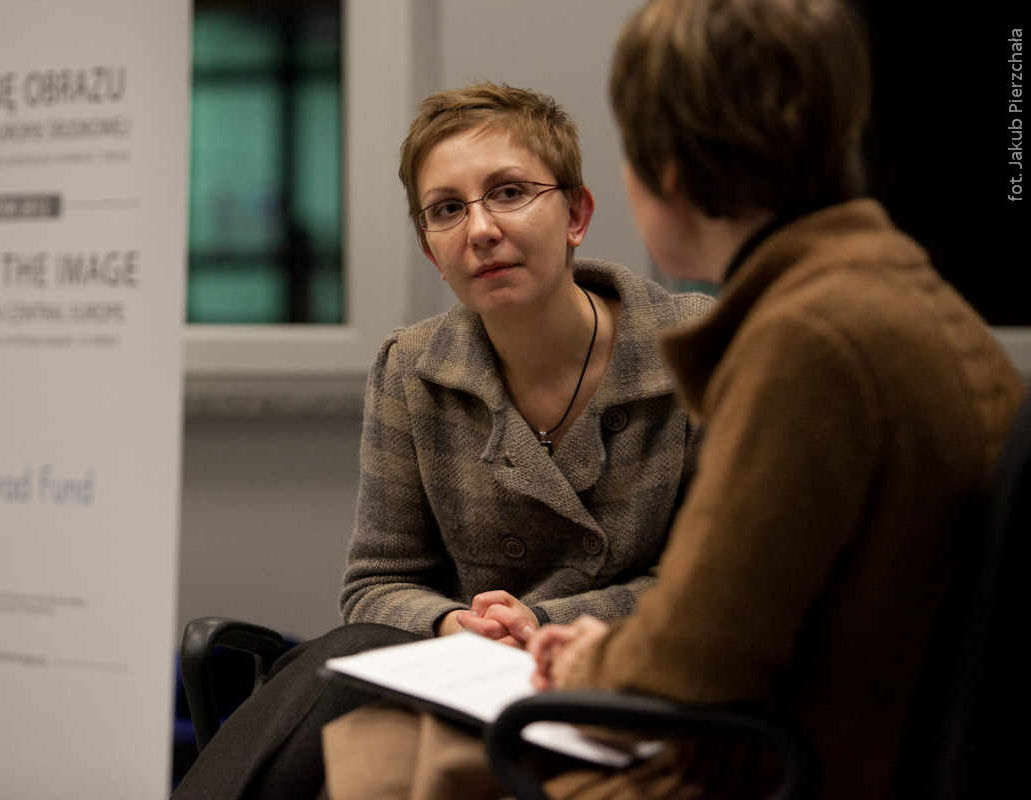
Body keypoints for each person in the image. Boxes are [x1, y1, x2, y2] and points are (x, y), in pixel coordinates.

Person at [320, 1, 1028, 799]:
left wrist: (573, 653)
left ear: (664, 170)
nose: (481, 229)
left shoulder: (804, 342)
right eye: (448, 209)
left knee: (369, 759)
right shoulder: (894, 293)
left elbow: (693, 655)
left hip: (755, 768)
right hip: (807, 746)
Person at [171, 83, 712, 800]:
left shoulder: (692, 347)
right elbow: (376, 583)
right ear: (431, 249)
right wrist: (453, 624)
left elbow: (707, 589)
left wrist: (541, 622)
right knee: (348, 657)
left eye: (509, 193)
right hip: (467, 688)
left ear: (577, 215)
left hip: (628, 686)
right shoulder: (413, 368)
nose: (479, 229)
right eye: (447, 209)